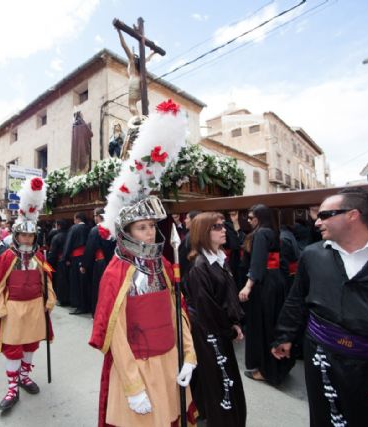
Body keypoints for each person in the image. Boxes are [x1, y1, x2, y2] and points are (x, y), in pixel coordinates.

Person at [89, 99, 197, 426]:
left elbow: (178, 311)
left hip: (168, 361)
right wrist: (132, 384)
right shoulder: (117, 271)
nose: (149, 234)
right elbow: (115, 334)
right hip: (136, 367)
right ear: (127, 231)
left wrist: (188, 354)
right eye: (142, 227)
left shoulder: (163, 265)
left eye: (152, 226)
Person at [273, 188, 368, 426]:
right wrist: (284, 335)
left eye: (325, 214)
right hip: (321, 361)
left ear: (352, 215)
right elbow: (297, 299)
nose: (317, 221)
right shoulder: (313, 255)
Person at [0, 177, 55, 411]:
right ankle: (12, 388)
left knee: (31, 344)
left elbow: (47, 279)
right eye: (23, 236)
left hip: (35, 305)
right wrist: (0, 306)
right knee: (13, 346)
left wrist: (50, 299)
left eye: (30, 236)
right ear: (16, 236)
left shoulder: (40, 257)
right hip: (14, 307)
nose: (27, 239)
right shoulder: (7, 257)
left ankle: (25, 377)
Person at [184, 212, 246, 426]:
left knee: (222, 379)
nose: (224, 230)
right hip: (209, 331)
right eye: (217, 227)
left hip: (219, 328)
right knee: (220, 381)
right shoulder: (200, 266)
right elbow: (208, 308)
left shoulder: (219, 258)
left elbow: (228, 295)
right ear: (203, 232)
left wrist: (236, 321)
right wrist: (230, 329)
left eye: (224, 225)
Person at [238, 204, 294, 384]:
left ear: (259, 218)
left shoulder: (261, 234)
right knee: (273, 324)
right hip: (276, 283)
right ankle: (278, 367)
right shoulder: (274, 232)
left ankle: (266, 369)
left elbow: (257, 264)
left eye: (251, 217)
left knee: (263, 327)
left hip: (264, 287)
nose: (249, 220)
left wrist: (248, 286)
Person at [81, 208, 115, 316]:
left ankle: (99, 313)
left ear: (99, 216)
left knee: (98, 288)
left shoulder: (96, 230)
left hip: (100, 263)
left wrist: (84, 265)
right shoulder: (113, 228)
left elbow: (89, 249)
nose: (94, 218)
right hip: (113, 263)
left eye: (95, 215)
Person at [62, 211, 90, 315]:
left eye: (74, 219)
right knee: (85, 282)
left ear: (77, 219)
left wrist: (65, 258)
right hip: (86, 258)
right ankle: (86, 305)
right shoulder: (89, 228)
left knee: (77, 283)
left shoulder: (74, 228)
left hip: (76, 258)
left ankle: (80, 306)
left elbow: (68, 244)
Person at [47, 219, 70, 306]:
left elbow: (53, 252)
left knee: (61, 281)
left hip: (59, 261)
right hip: (69, 261)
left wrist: (49, 263)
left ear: (58, 226)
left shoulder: (56, 237)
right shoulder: (69, 234)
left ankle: (62, 299)